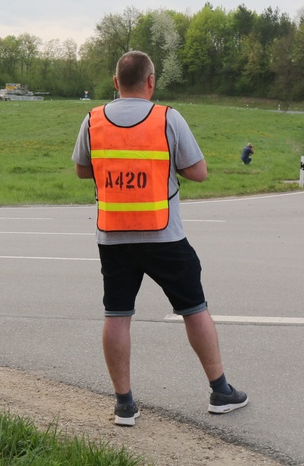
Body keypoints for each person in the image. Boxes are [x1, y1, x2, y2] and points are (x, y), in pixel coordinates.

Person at [71, 50, 247, 427]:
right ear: (151, 82)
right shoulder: (168, 117)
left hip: (113, 236)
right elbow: (198, 173)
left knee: (117, 314)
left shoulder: (93, 119)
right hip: (164, 234)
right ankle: (220, 391)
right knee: (194, 308)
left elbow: (83, 170)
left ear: (116, 82)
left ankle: (124, 404)